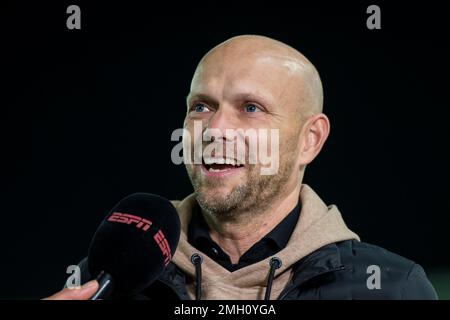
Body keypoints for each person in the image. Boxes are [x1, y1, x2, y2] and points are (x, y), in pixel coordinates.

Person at [46, 35, 437, 300]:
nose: (215, 129)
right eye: (201, 106)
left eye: (251, 108)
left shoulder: (391, 288)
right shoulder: (114, 278)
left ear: (310, 140)